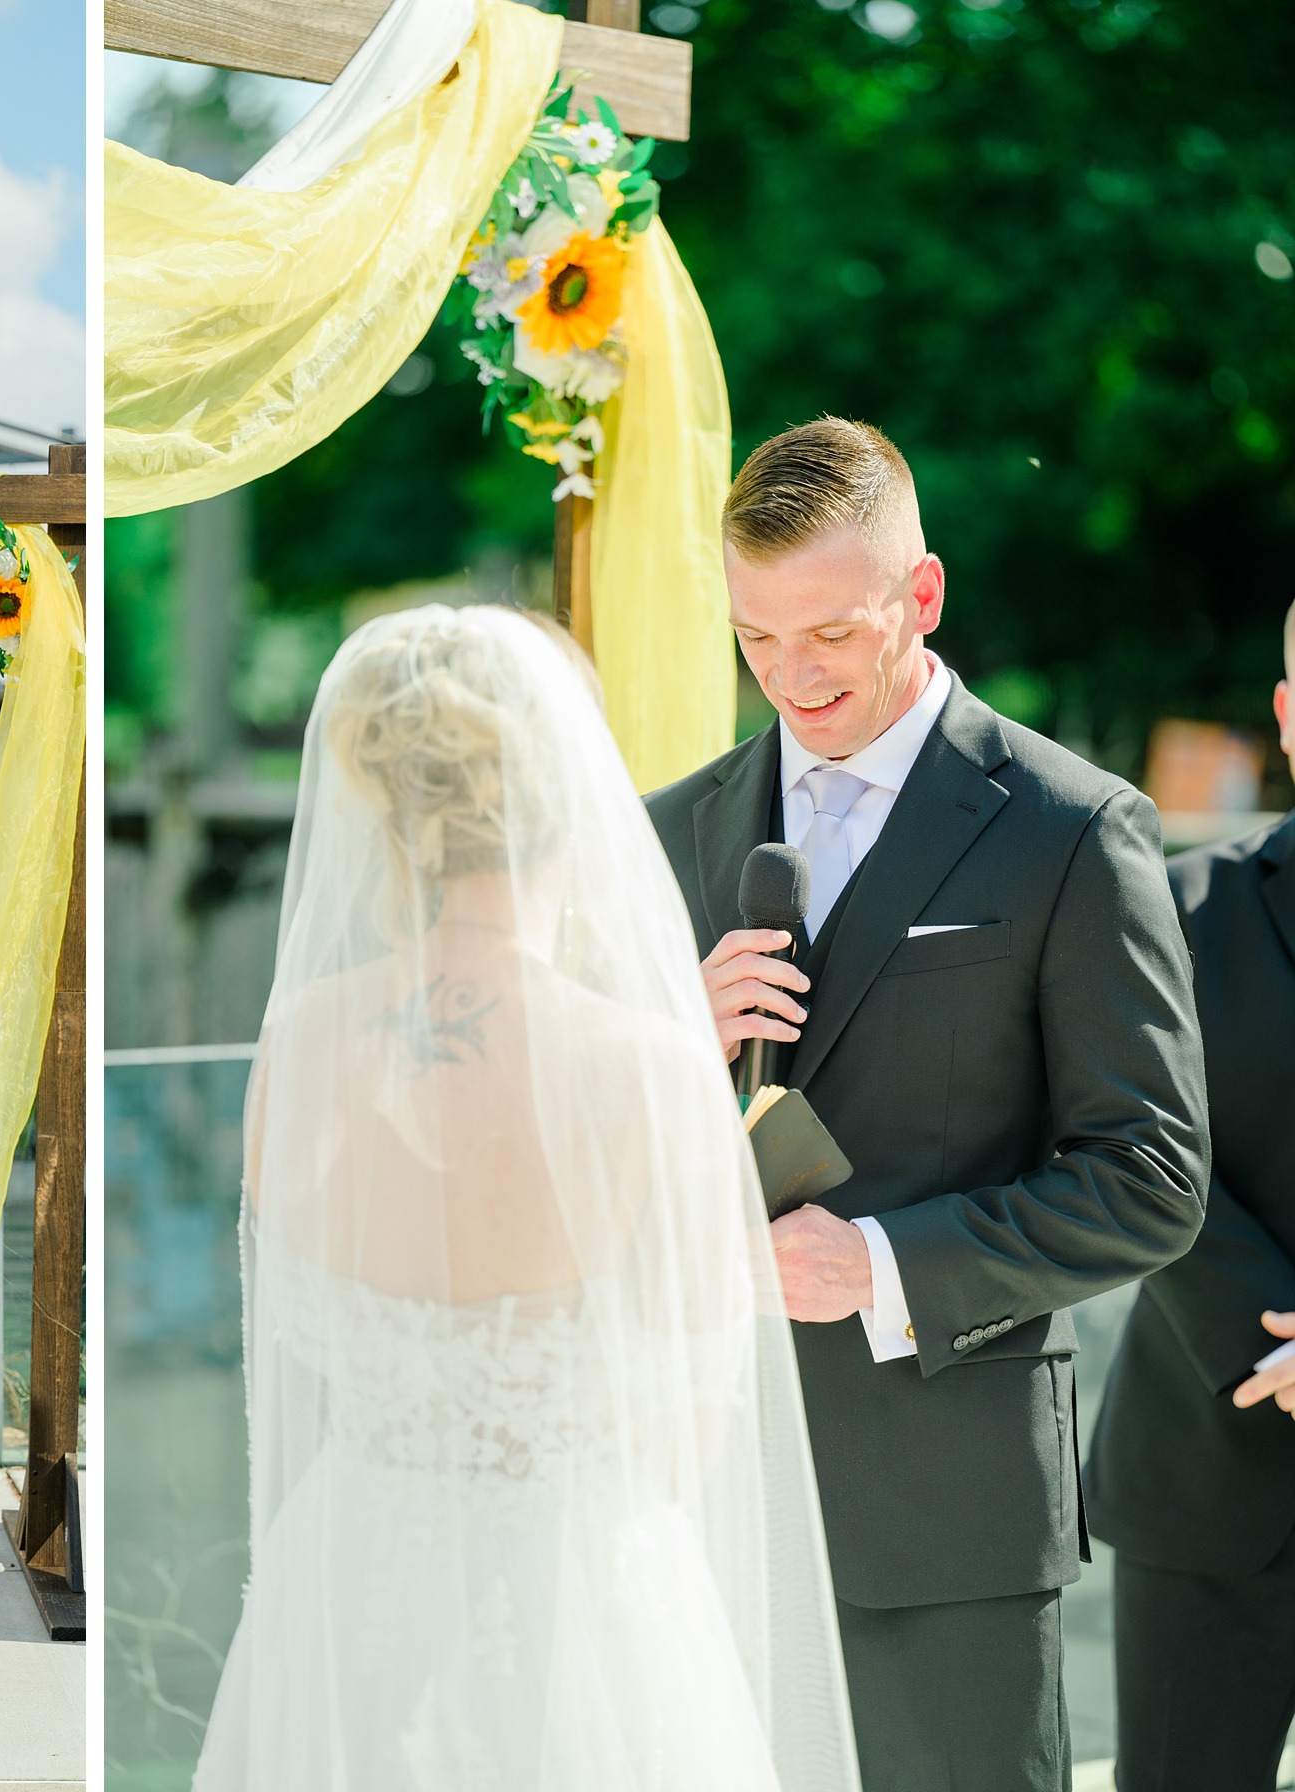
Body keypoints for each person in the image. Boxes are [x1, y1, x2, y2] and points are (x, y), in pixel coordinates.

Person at [193, 606, 862, 1792]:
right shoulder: (648, 1071)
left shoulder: (296, 1048)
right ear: (578, 797)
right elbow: (698, 1434)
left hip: (349, 1588)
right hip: (578, 1608)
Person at [644, 418, 1210, 1792]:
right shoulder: (666, 832)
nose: (792, 676)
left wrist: (884, 1265)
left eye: (831, 632)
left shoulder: (1073, 832)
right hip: (702, 1505)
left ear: (924, 596)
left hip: (951, 1523)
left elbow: (1151, 1176)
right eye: (757, 640)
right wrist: (663, 1045)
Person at [1085, 597, 1295, 1791]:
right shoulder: (1178, 905)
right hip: (1204, 1487)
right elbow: (1125, 1133)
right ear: (1285, 713)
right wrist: (1272, 1342)